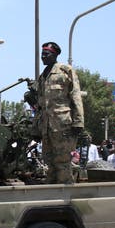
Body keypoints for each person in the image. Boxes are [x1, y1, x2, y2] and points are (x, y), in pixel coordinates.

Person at [34, 41, 84, 184]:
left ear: (54, 55)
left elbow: (75, 95)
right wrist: (35, 128)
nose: (43, 57)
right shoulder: (42, 76)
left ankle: (66, 195)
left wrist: (79, 121)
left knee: (62, 162)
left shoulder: (65, 70)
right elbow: (40, 105)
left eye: (46, 54)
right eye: (42, 54)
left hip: (62, 125)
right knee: (49, 162)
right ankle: (52, 192)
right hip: (47, 127)